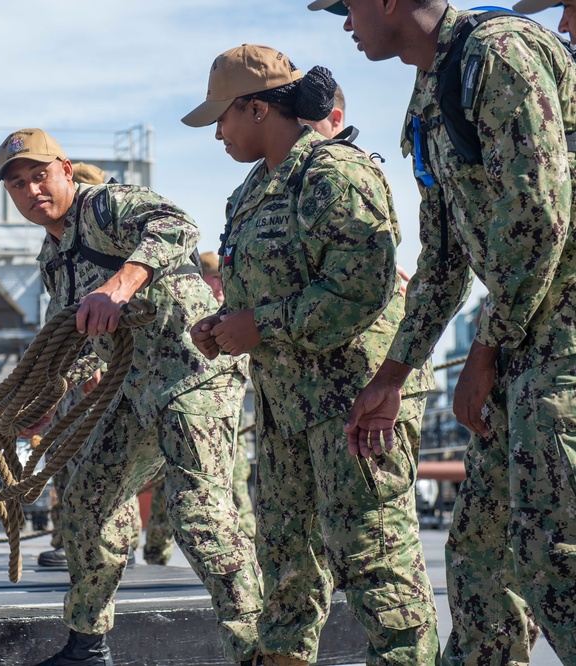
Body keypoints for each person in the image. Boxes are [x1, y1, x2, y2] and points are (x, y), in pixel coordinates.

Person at [309, 1, 576, 663]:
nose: (344, 24)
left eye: (346, 6)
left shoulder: (501, 53)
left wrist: (486, 346)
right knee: (483, 553)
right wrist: (392, 377)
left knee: (553, 550)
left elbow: (540, 214)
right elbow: (443, 259)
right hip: (521, 334)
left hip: (561, 331)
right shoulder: (432, 92)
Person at [182, 44, 439, 666]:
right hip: (285, 409)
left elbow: (362, 288)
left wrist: (260, 326)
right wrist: (223, 326)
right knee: (287, 563)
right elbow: (265, 288)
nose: (217, 132)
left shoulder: (334, 174)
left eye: (223, 117)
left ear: (259, 108)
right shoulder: (249, 193)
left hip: (352, 403)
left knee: (375, 560)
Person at [0, 128, 261, 666]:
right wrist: (47, 396)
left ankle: (258, 653)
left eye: (40, 175)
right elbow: (72, 334)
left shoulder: (105, 206)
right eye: (19, 184)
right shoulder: (54, 257)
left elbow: (178, 225)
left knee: (200, 517)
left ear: (66, 171)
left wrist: (121, 285)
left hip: (193, 371)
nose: (32, 191)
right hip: (135, 387)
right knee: (88, 502)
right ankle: (88, 644)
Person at [37, 161, 140, 570]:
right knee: (65, 458)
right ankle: (72, 539)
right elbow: (62, 317)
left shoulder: (113, 234)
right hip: (72, 374)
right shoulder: (57, 253)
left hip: (113, 375)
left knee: (104, 462)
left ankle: (118, 542)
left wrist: (92, 366)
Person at [143, 250, 257, 567]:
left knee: (235, 485)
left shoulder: (230, 309)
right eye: (215, 279)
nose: (220, 286)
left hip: (230, 407)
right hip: (191, 407)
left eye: (223, 279)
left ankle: (249, 556)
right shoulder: (187, 303)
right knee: (179, 490)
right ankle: (156, 554)